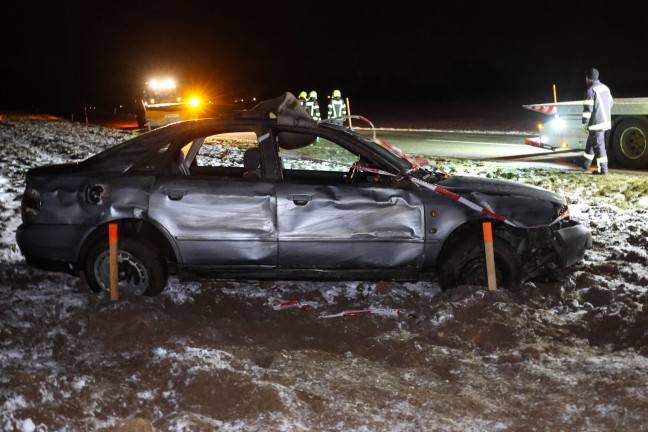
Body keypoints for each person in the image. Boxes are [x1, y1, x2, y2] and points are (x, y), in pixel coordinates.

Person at [582, 67, 613, 175]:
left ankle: (604, 170)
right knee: (591, 142)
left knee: (599, 146)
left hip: (596, 124)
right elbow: (611, 103)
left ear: (588, 78)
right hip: (605, 122)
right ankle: (585, 164)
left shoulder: (590, 90)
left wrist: (584, 123)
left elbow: (587, 110)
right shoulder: (605, 88)